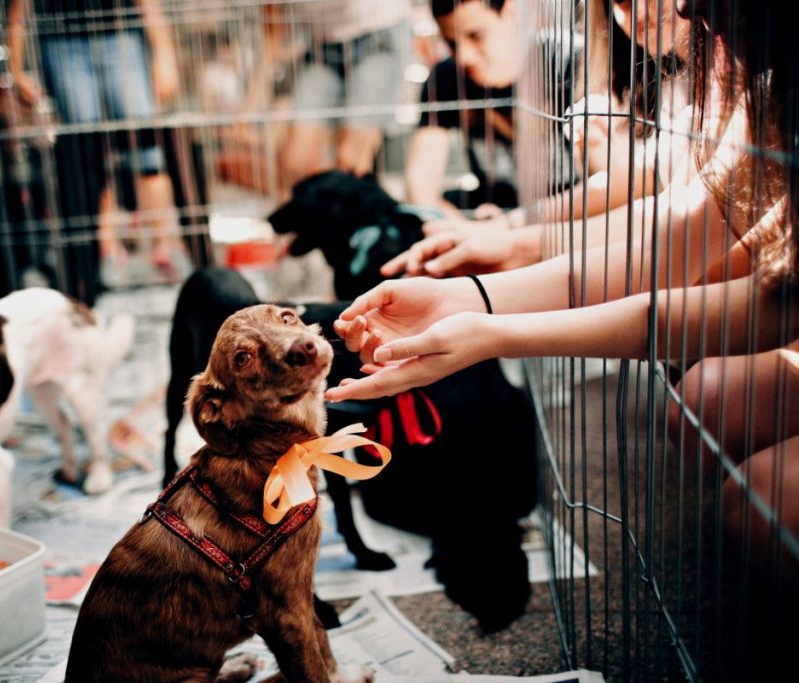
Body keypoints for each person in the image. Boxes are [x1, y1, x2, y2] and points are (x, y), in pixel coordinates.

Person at [326, 0, 799, 637]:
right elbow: (673, 241)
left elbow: (678, 230)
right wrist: (473, 298)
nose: (686, 7)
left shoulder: (636, 72)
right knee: (710, 405)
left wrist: (496, 316)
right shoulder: (758, 90)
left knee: (758, 496)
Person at [390, 0, 695, 278]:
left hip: (569, 224)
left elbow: (619, 185)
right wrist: (467, 228)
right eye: (452, 43)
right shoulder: (446, 77)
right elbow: (420, 183)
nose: (464, 56)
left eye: (476, 35)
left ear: (510, 11)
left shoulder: (573, 62)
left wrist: (506, 231)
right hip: (496, 215)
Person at [7, 0, 182, 302]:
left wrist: (164, 54)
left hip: (120, 33)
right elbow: (18, 7)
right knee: (85, 155)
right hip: (63, 38)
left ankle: (164, 245)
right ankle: (106, 251)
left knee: (146, 150)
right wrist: (16, 66)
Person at [279, 0, 412, 186]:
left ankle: (351, 197)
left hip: (378, 32)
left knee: (351, 161)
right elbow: (272, 31)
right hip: (322, 42)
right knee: (297, 160)